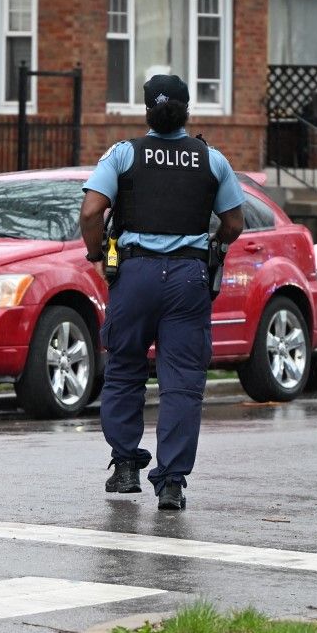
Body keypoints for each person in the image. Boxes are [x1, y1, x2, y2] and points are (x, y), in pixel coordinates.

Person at [79, 74, 244, 510]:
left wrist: (96, 253)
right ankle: (171, 481)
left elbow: (92, 210)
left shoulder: (123, 154)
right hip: (188, 280)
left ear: (147, 110)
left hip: (134, 277)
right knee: (182, 383)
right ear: (188, 110)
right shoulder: (212, 159)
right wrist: (216, 246)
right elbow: (234, 223)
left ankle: (126, 466)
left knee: (125, 370)